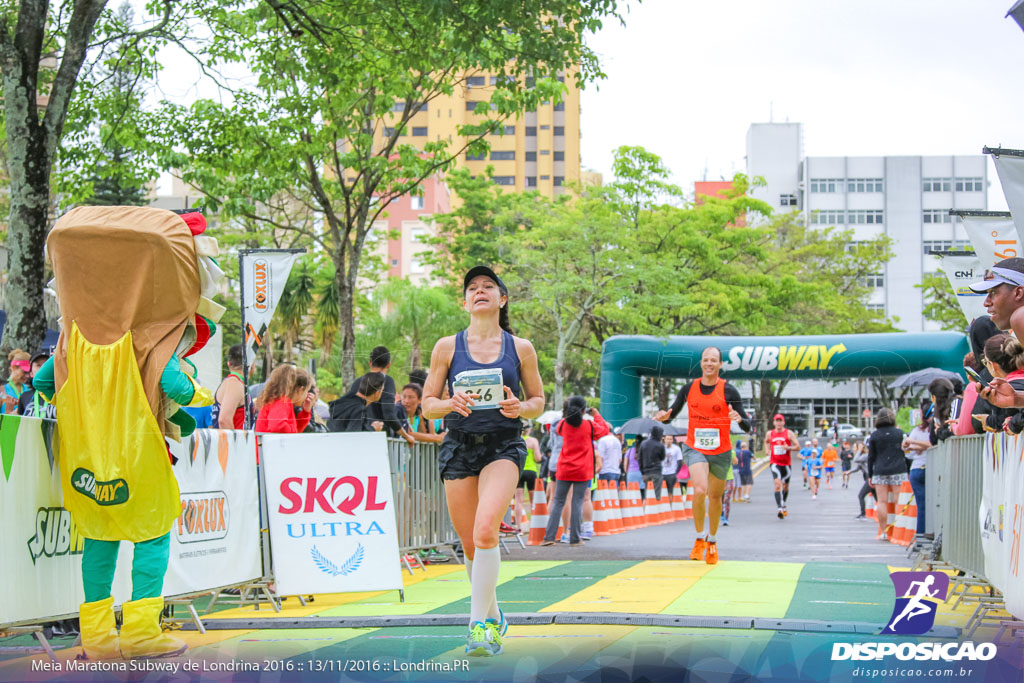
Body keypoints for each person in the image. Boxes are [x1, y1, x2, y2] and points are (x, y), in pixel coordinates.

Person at [421, 265, 544, 657]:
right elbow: (427, 405)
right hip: (458, 445)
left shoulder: (520, 347)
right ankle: (493, 612)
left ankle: (480, 626)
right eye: (472, 287)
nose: (480, 291)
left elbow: (538, 403)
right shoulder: (446, 347)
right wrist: (449, 404)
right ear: (465, 301)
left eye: (488, 286)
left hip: (503, 446)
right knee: (471, 545)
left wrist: (519, 407)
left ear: (501, 298)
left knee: (486, 531)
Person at [654, 346, 751, 565]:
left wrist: (738, 419)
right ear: (701, 363)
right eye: (705, 360)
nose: (709, 363)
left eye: (713, 360)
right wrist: (663, 416)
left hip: (721, 449)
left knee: (715, 497)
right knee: (700, 489)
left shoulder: (729, 391)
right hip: (695, 446)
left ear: (720, 364)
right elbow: (671, 415)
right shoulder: (689, 388)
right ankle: (699, 538)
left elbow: (747, 426)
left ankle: (713, 541)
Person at [542, 397, 609, 546]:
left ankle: (549, 537)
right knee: (577, 502)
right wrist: (596, 415)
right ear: (584, 410)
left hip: (564, 469)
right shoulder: (589, 425)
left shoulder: (562, 425)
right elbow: (604, 430)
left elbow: (558, 429)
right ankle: (575, 539)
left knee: (558, 502)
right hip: (582, 470)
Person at [343, 346, 415, 444]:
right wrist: (406, 436)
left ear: (370, 363)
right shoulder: (386, 381)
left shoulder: (357, 382)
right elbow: (389, 415)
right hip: (380, 438)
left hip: (359, 436)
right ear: (388, 364)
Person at [867, 408, 907, 541]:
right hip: (899, 469)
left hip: (880, 470)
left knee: (882, 502)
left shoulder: (875, 435)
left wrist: (870, 475)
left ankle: (884, 532)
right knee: (898, 501)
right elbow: (905, 453)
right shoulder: (900, 433)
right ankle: (897, 531)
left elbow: (871, 457)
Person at [903, 399, 933, 536]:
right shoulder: (934, 430)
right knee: (933, 504)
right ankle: (928, 534)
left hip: (916, 469)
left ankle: (920, 536)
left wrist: (913, 444)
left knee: (922, 506)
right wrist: (918, 446)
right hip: (932, 469)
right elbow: (931, 444)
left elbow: (910, 454)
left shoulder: (915, 431)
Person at [254, 365, 314, 434]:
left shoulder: (281, 400)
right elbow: (278, 426)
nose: (307, 395)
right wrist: (293, 430)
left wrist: (305, 412)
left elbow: (296, 429)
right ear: (301, 389)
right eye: (307, 391)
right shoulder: (281, 401)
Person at [211, 344, 254, 430]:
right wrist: (235, 443)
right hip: (233, 442)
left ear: (229, 364)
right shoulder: (234, 383)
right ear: (251, 365)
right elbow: (224, 420)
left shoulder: (234, 382)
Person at [766, 415, 800, 518]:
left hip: (786, 464)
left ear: (783, 422)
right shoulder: (770, 433)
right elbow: (766, 442)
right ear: (774, 422)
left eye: (781, 421)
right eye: (777, 421)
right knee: (777, 485)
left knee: (785, 487)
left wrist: (788, 447)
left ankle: (783, 502)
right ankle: (779, 508)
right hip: (774, 462)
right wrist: (767, 450)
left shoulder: (789, 433)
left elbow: (798, 447)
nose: (779, 423)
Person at [513, 423, 542, 531]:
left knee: (519, 501)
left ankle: (519, 527)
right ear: (529, 430)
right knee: (533, 501)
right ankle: (534, 526)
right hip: (531, 471)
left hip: (519, 471)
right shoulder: (533, 441)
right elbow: (538, 458)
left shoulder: (517, 440)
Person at [17, 349, 57, 419]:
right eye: (38, 365)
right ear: (31, 373)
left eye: (45, 365)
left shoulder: (59, 395)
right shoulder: (24, 396)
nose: (42, 368)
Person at [638, 424, 666, 498]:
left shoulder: (643, 443)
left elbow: (639, 458)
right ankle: (655, 508)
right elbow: (662, 457)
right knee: (656, 493)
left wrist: (642, 471)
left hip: (645, 473)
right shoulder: (660, 445)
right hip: (656, 472)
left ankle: (647, 507)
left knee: (647, 493)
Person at [851, 441, 874, 520]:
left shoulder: (865, 456)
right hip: (869, 478)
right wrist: (849, 472)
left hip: (870, 478)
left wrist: (859, 450)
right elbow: (858, 467)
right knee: (877, 497)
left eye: (855, 447)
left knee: (861, 495)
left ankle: (863, 514)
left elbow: (855, 460)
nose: (853, 449)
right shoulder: (863, 456)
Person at [3, 349, 31, 414]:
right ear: (13, 367)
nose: (27, 376)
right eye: (24, 372)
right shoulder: (2, 389)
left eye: (28, 373)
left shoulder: (28, 390)